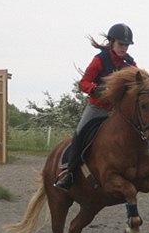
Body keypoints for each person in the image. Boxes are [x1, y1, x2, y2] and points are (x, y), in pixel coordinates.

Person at [54, 23, 137, 190]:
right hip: (97, 108)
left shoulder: (130, 63)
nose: (124, 48)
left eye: (126, 45)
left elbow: (137, 83)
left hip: (117, 112)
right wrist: (94, 89)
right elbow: (83, 83)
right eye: (121, 44)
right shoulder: (100, 60)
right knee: (80, 133)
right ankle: (69, 173)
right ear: (112, 42)